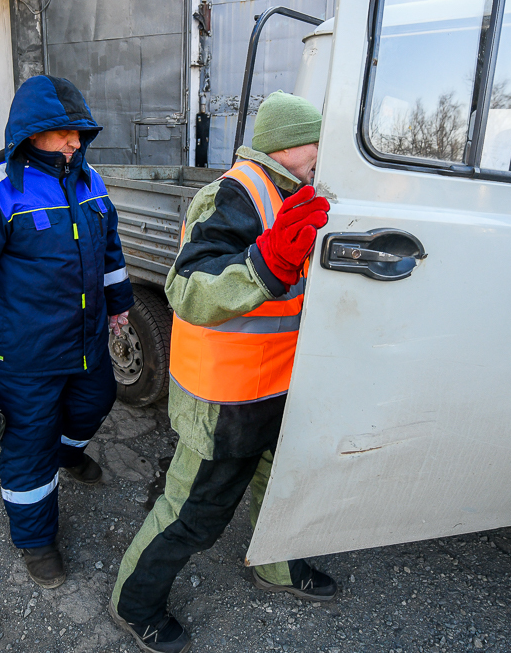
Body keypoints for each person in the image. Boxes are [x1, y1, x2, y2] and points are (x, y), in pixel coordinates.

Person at [110, 91, 335, 653]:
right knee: (193, 511)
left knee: (279, 487)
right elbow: (186, 291)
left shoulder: (302, 195)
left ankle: (276, 567)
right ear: (288, 145)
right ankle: (133, 603)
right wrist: (265, 265)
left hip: (280, 385)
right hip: (226, 396)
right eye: (317, 143)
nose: (324, 155)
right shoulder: (232, 196)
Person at [0, 75, 133, 589]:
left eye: (81, 132)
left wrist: (120, 304)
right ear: (31, 132)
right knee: (29, 442)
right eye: (65, 132)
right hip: (23, 352)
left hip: (83, 341)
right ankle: (35, 540)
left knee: (96, 401)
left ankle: (65, 454)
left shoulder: (89, 180)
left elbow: (109, 249)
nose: (76, 142)